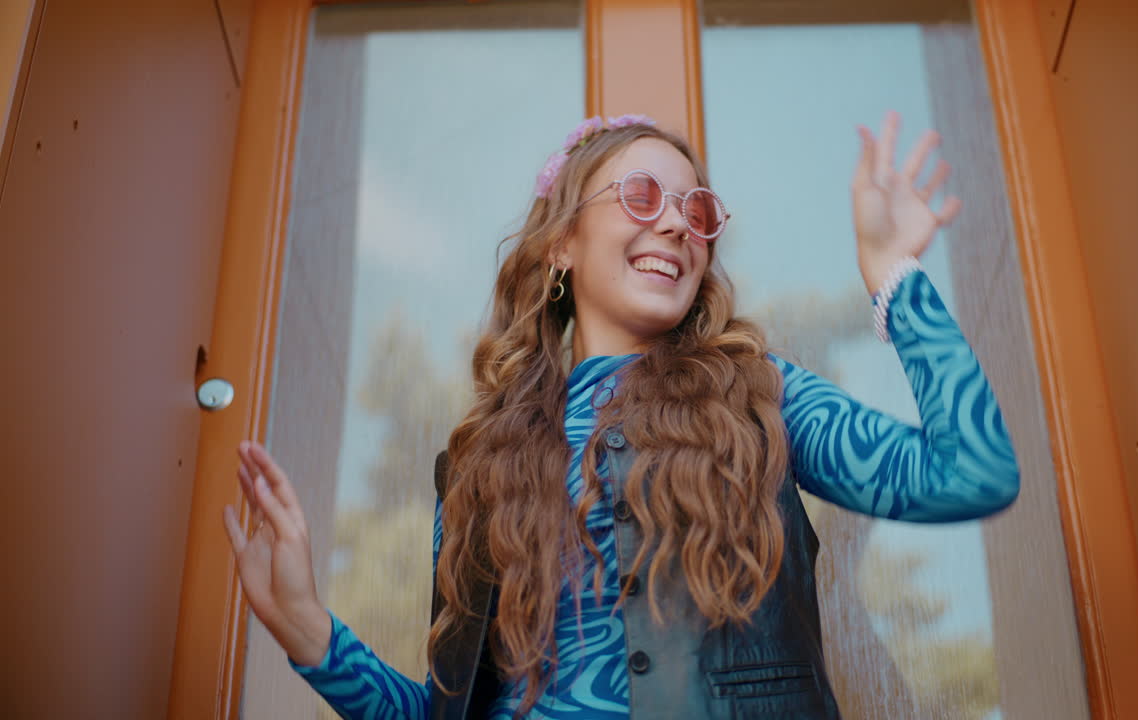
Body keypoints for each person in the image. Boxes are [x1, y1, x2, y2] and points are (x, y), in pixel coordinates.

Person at [222, 110, 1020, 720]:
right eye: (642, 195)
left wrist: (895, 276)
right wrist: (307, 631)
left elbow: (970, 472)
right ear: (563, 243)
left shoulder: (757, 396)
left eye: (698, 210)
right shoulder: (477, 466)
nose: (677, 222)